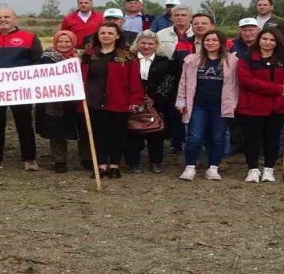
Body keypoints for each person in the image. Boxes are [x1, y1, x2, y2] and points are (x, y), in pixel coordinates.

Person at [0, 8, 43, 172]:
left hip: (21, 89)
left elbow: (38, 63)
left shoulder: (29, 37)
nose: (2, 20)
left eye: (7, 17)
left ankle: (29, 159)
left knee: (24, 124)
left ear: (15, 19)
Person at [81, 22, 144, 179]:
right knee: (98, 134)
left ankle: (114, 165)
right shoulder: (89, 55)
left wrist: (135, 99)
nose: (106, 36)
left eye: (110, 33)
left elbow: (134, 80)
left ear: (117, 36)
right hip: (94, 100)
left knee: (116, 134)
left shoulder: (127, 56)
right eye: (103, 33)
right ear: (98, 35)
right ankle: (101, 165)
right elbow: (82, 76)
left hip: (119, 100)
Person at [175, 29, 238, 180]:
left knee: (218, 137)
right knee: (195, 137)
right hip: (197, 105)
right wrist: (181, 101)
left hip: (220, 105)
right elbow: (183, 82)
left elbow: (236, 85)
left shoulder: (232, 61)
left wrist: (234, 103)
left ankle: (213, 168)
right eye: (207, 40)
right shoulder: (192, 60)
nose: (210, 43)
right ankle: (190, 167)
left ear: (221, 43)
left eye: (214, 40)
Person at [236, 29, 284, 183]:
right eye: (265, 39)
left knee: (272, 139)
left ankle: (269, 169)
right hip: (252, 106)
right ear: (259, 40)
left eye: (272, 40)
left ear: (277, 42)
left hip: (277, 107)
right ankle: (253, 169)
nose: (268, 42)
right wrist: (276, 89)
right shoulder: (246, 58)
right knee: (252, 139)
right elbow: (246, 81)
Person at [35, 30, 91, 174]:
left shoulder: (83, 56)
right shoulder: (47, 57)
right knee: (57, 131)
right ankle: (59, 161)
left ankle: (87, 158)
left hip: (79, 99)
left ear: (73, 42)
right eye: (60, 41)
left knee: (83, 130)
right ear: (55, 42)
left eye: (67, 42)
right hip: (56, 101)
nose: (64, 44)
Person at [126, 30, 178, 173]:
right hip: (133, 100)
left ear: (156, 45)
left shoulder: (165, 61)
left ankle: (156, 161)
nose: (146, 46)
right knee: (132, 130)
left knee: (156, 131)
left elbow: (169, 81)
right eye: (143, 43)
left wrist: (154, 98)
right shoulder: (128, 59)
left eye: (150, 43)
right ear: (137, 44)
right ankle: (133, 163)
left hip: (156, 102)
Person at [156, 5, 197, 154]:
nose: (180, 18)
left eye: (184, 15)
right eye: (177, 15)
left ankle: (194, 141)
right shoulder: (161, 34)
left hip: (195, 75)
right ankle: (177, 142)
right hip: (171, 76)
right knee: (175, 110)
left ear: (190, 17)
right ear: (172, 17)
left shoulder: (198, 33)